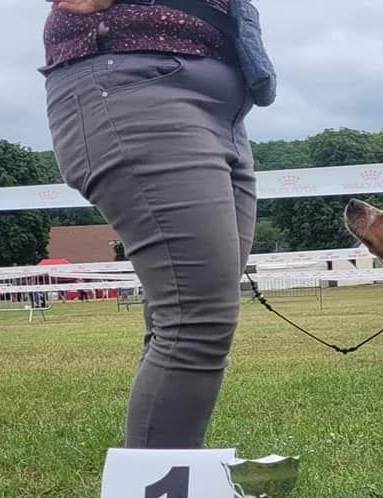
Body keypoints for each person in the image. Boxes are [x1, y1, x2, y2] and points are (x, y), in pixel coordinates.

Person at [41, 0, 257, 449]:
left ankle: (163, 496)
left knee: (185, 315)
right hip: (132, 78)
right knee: (198, 318)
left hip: (221, 105)